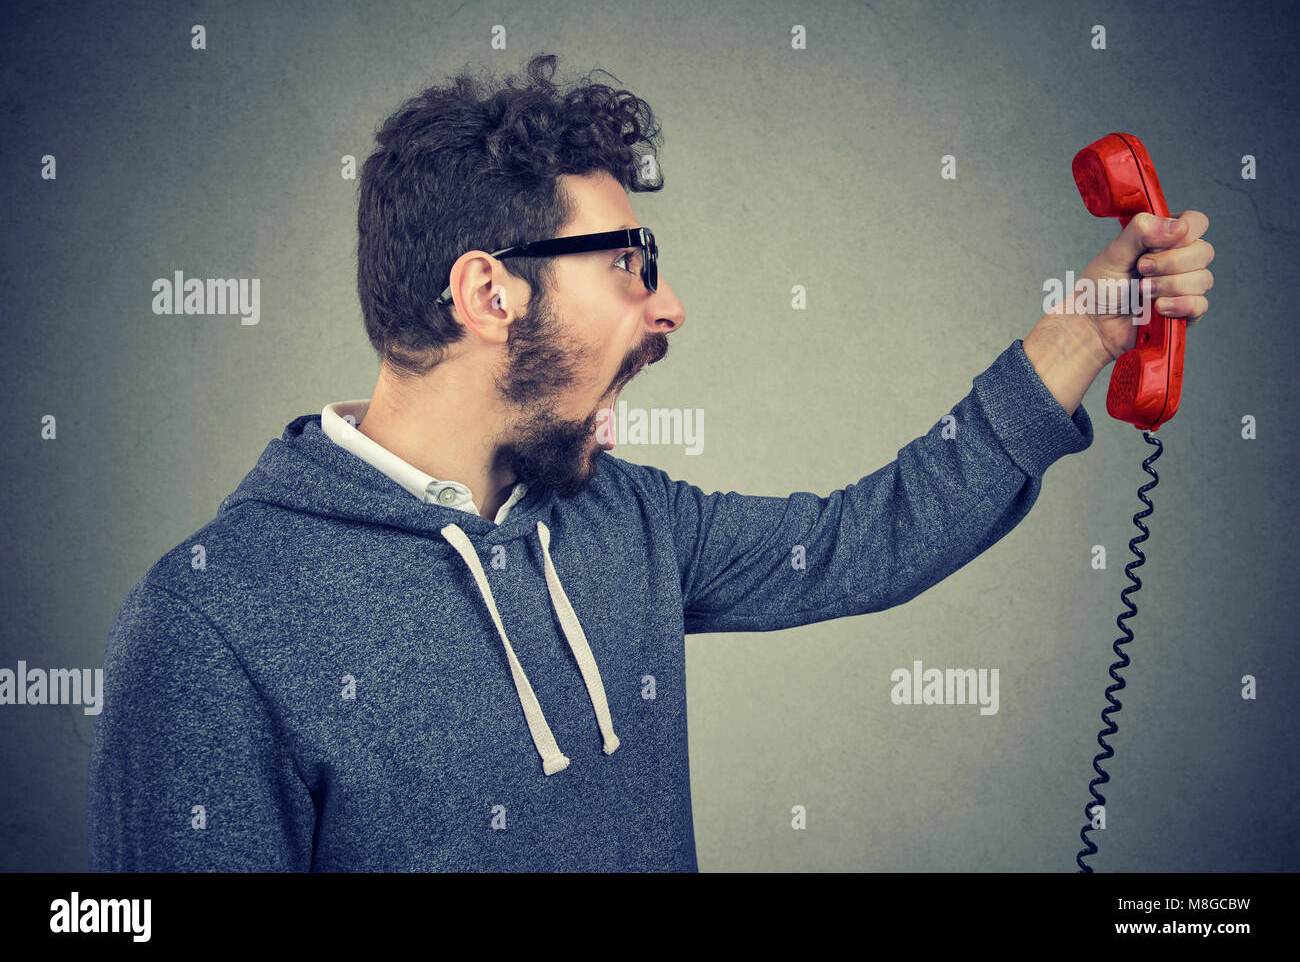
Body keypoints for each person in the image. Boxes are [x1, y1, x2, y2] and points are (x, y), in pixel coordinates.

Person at [87, 53, 1214, 871]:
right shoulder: (209, 628)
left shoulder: (625, 522)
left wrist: (1091, 328)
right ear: (490, 292)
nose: (669, 305)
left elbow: (872, 536)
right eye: (631, 265)